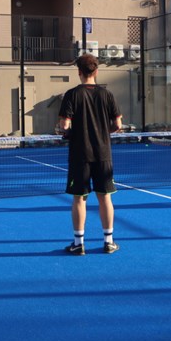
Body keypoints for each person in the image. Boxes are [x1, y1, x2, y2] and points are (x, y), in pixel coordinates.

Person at [57, 53, 123, 255]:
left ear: (79, 72)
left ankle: (78, 243)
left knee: (79, 199)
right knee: (105, 198)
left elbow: (64, 125)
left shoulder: (72, 94)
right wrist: (104, 133)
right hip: (103, 155)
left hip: (80, 155)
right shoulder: (107, 95)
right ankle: (109, 241)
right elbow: (118, 125)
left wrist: (65, 131)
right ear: (96, 71)